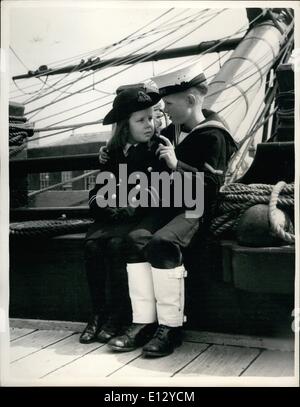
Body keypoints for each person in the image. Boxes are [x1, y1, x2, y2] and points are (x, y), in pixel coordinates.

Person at [105, 62, 238, 357]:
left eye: (169, 102)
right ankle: (142, 322)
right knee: (134, 240)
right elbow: (138, 152)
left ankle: (170, 328)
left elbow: (211, 188)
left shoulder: (215, 136)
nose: (164, 108)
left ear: (190, 101)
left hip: (196, 208)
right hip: (167, 204)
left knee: (162, 243)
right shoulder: (171, 131)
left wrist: (177, 165)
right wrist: (112, 152)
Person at [79, 86, 162, 344]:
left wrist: (130, 207)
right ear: (125, 126)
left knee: (117, 246)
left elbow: (158, 191)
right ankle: (97, 314)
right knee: (92, 245)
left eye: (151, 118)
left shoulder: (155, 149)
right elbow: (98, 189)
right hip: (113, 216)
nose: (149, 124)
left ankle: (118, 315)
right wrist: (104, 207)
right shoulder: (113, 153)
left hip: (138, 216)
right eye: (141, 120)